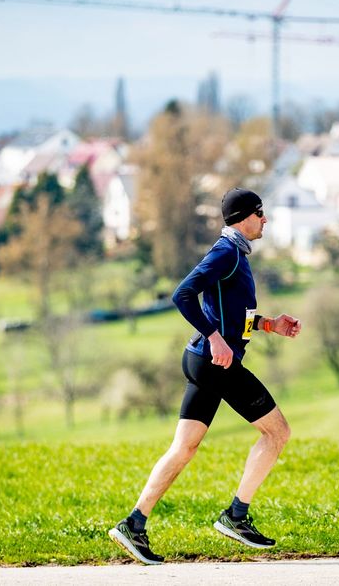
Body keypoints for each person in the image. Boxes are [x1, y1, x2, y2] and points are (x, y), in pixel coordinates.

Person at [109, 188, 302, 565]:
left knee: (184, 448)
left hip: (204, 362)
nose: (265, 219)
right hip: (216, 364)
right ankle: (236, 516)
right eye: (260, 213)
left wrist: (268, 324)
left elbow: (230, 314)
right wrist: (215, 339)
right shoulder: (226, 252)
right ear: (243, 217)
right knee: (278, 432)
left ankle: (134, 523)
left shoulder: (236, 254)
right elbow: (182, 295)